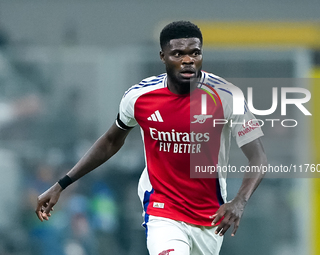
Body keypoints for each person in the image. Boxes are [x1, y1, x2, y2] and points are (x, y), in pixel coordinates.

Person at [36, 21, 267, 255]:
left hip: (209, 216)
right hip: (162, 209)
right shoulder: (140, 97)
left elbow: (258, 158)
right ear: (163, 56)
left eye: (195, 53)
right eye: (178, 54)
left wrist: (239, 201)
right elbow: (110, 141)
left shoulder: (227, 96)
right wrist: (61, 184)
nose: (188, 60)